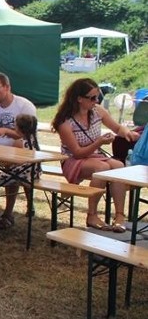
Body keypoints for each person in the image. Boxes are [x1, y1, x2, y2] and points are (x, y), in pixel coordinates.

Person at [52, 78, 140, 232]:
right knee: (102, 168)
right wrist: (99, 142)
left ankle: (119, 215)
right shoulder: (64, 122)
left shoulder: (97, 111)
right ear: (79, 99)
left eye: (98, 96)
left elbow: (117, 128)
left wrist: (127, 132)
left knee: (118, 166)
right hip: (72, 160)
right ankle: (91, 215)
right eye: (92, 98)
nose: (96, 100)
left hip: (94, 156)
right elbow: (77, 153)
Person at [0, 72, 38, 228]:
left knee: (11, 174)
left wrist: (7, 131)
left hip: (21, 157)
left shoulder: (24, 106)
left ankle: (7, 214)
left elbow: (28, 135)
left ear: (7, 87)